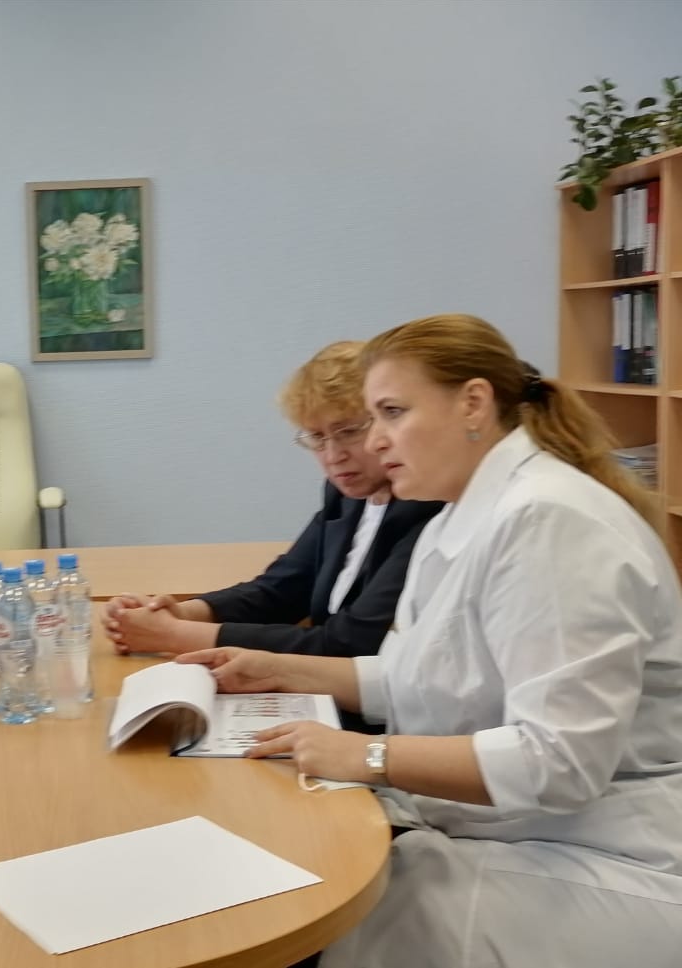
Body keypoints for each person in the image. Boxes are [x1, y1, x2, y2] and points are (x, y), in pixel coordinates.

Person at [181, 314, 682, 967]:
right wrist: (276, 669)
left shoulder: (550, 522)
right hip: (508, 827)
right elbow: (413, 677)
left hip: (606, 852)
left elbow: (559, 762)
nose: (374, 441)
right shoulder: (459, 516)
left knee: (320, 917)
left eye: (391, 413)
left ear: (473, 403)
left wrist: (366, 755)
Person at [103, 341, 441, 661]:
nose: (333, 455)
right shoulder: (344, 496)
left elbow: (348, 643)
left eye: (349, 431)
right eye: (317, 437)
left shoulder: (425, 508)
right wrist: (181, 612)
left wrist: (175, 635)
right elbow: (280, 590)